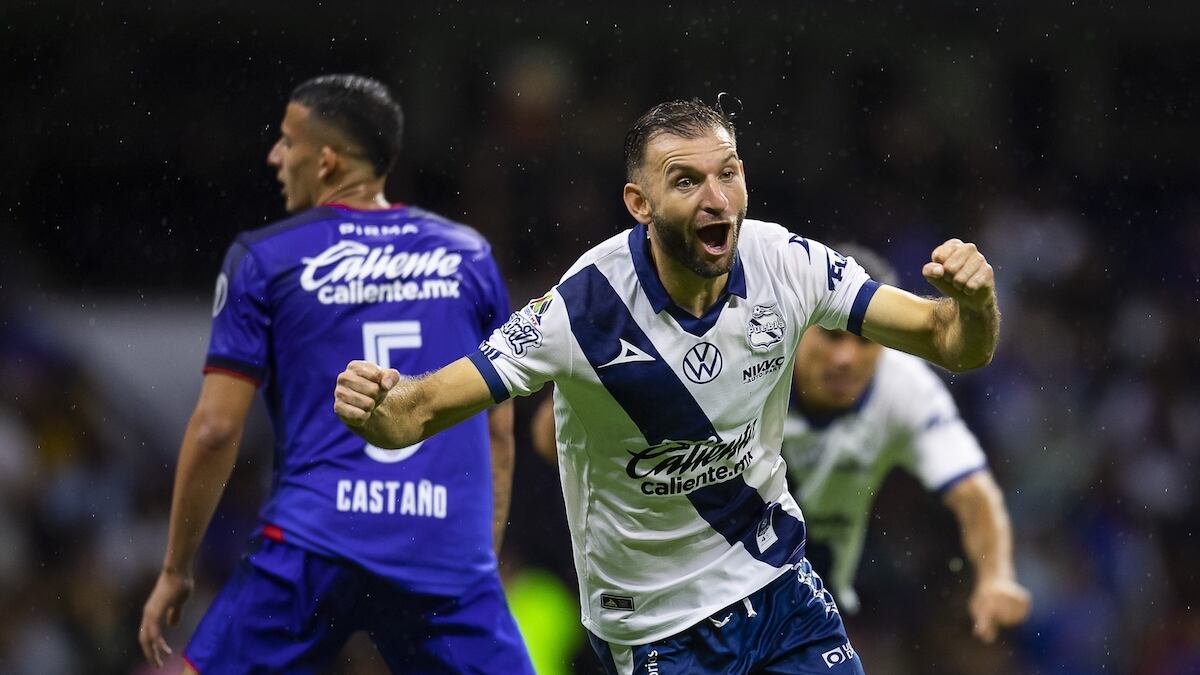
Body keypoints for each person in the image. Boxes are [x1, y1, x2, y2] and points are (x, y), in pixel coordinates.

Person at [333, 98, 1001, 674]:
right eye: (686, 181)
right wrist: (376, 405)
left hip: (777, 587)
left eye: (728, 174)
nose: (715, 199)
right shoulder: (583, 308)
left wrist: (972, 303)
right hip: (656, 626)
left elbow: (948, 342)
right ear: (640, 204)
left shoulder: (787, 262)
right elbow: (413, 414)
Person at [138, 74, 533, 674]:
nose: (274, 156)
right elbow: (499, 430)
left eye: (286, 141)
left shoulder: (265, 257)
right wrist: (476, 562)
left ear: (325, 160)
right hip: (438, 549)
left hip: (315, 541)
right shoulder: (469, 255)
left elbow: (217, 429)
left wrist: (176, 569)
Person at [780, 243, 1030, 642]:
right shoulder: (755, 369)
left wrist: (995, 575)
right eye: (830, 335)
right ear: (801, 323)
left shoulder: (905, 388)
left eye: (863, 341)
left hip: (810, 602)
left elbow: (973, 493)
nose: (845, 357)